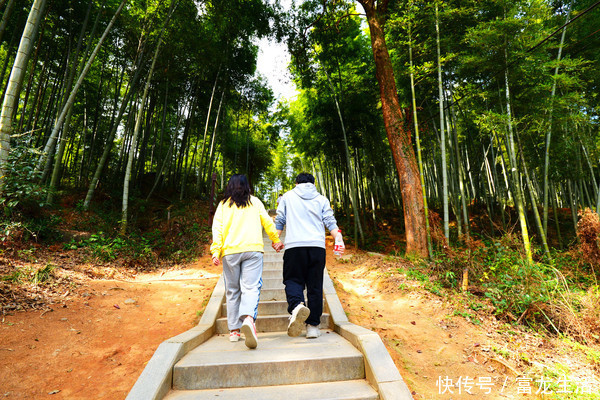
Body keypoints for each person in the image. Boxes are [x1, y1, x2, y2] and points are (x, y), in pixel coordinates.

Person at [211, 174, 284, 349]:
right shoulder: (255, 202)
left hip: (230, 252)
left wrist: (216, 251)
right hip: (253, 250)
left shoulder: (223, 205)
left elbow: (217, 229)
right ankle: (249, 319)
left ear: (229, 186)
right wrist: (275, 239)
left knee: (233, 289)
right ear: (247, 186)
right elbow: (267, 221)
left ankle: (234, 331)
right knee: (250, 287)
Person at [274, 172, 344, 339]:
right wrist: (338, 238)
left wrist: (276, 239)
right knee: (315, 285)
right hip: (317, 247)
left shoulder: (288, 197)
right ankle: (313, 326)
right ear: (313, 184)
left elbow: (280, 220)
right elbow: (329, 220)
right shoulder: (321, 198)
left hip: (294, 246)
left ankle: (297, 306)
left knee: (292, 280)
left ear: (296, 183)